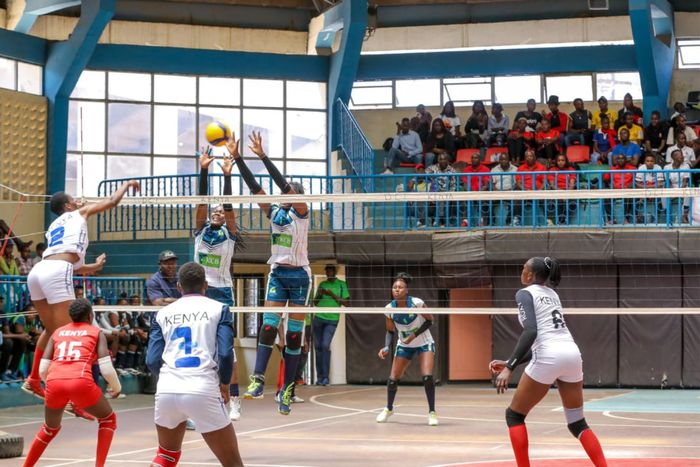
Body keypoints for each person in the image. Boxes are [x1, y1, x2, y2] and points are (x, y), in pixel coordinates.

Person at [23, 181, 138, 411]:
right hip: (57, 271)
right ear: (67, 205)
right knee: (70, 334)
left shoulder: (54, 225)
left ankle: (34, 379)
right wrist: (126, 185)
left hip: (38, 272)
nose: (77, 201)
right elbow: (112, 201)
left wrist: (93, 266)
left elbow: (70, 262)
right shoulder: (78, 213)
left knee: (52, 330)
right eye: (73, 199)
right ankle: (68, 394)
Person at [489, 257, 607, 467]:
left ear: (530, 275)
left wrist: (509, 368)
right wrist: (509, 361)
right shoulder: (553, 294)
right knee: (577, 423)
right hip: (572, 354)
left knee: (514, 416)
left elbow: (531, 331)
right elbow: (544, 339)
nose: (521, 271)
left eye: (524, 269)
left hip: (548, 356)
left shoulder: (524, 293)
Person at [235, 131, 310, 416]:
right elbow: (255, 187)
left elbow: (283, 185)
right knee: (268, 327)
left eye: (288, 191)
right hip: (278, 273)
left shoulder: (302, 211)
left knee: (294, 337)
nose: (283, 194)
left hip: (300, 276)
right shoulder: (275, 213)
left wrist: (264, 157)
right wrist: (239, 158)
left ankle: (287, 390)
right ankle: (257, 379)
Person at [146, 262, 242, 467]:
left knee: (166, 456)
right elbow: (226, 354)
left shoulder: (161, 314)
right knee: (232, 463)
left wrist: (167, 378)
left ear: (179, 286)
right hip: (202, 387)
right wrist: (225, 384)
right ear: (205, 285)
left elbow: (152, 360)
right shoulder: (219, 309)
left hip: (167, 389)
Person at [23, 298, 121, 467]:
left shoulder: (58, 332)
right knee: (108, 419)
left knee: (49, 429)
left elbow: (42, 369)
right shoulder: (96, 332)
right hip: (80, 381)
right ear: (90, 316)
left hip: (54, 381)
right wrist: (117, 387)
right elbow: (106, 368)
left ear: (71, 316)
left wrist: (55, 384)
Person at [196, 144, 241, 422]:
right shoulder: (200, 231)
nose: (217, 212)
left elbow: (229, 206)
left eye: (221, 211)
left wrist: (226, 176)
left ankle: (234, 399)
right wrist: (203, 170)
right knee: (203, 348)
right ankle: (202, 400)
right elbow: (201, 204)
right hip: (200, 294)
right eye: (214, 210)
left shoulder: (230, 233)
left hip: (223, 292)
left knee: (227, 351)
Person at [376, 273, 437, 427]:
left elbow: (430, 320)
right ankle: (389, 409)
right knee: (392, 379)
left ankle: (432, 412)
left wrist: (413, 336)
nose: (397, 290)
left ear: (406, 290)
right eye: (394, 287)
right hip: (404, 345)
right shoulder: (389, 309)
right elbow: (390, 331)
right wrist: (386, 346)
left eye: (400, 287)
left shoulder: (417, 303)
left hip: (424, 342)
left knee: (427, 377)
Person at [313, 264, 350, 386]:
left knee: (325, 345)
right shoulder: (322, 284)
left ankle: (325, 377)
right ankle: (319, 378)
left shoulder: (341, 285)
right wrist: (320, 294)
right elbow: (316, 302)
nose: (328, 273)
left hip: (332, 319)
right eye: (327, 271)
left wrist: (331, 294)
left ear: (334, 271)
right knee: (318, 347)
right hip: (319, 318)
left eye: (330, 271)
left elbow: (347, 303)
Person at [547, 154, 577, 225]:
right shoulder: (552, 170)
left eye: (562, 160)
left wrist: (566, 194)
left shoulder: (571, 169)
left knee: (572, 203)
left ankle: (564, 220)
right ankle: (560, 221)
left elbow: (572, 184)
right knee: (557, 201)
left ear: (566, 161)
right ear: (556, 162)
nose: (560, 162)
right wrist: (561, 194)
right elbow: (552, 185)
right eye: (559, 160)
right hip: (556, 191)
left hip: (568, 191)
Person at [665, 149, 691, 224]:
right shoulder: (667, 167)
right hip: (672, 187)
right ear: (674, 157)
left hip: (682, 187)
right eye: (680, 155)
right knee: (664, 192)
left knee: (688, 191)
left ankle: (684, 215)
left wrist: (679, 192)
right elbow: (668, 182)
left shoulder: (686, 166)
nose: (683, 156)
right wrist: (673, 191)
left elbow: (685, 181)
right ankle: (667, 215)